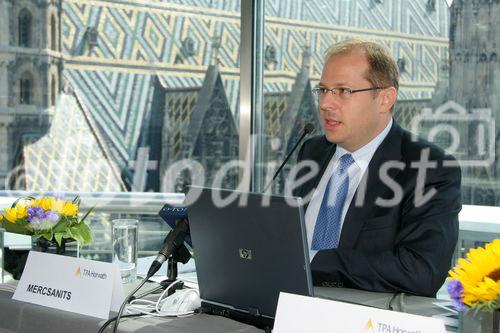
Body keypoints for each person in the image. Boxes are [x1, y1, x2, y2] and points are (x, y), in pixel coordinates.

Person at [292, 38, 461, 297]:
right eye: (323, 90)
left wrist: (311, 261)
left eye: (343, 91)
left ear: (384, 99)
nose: (325, 104)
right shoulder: (311, 151)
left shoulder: (430, 168)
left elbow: (421, 271)